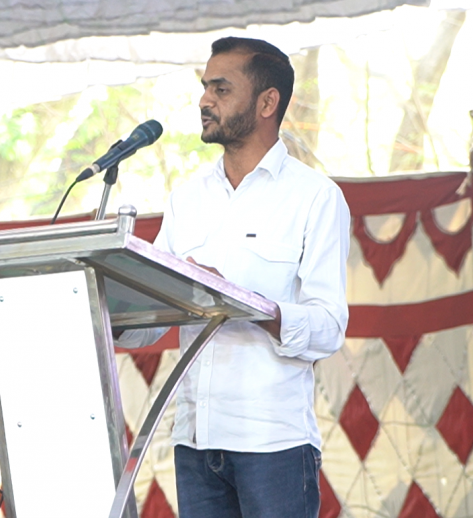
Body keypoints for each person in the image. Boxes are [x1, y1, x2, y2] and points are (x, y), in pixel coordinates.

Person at [114, 37, 350, 518]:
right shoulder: (187, 198)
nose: (204, 100)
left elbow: (329, 327)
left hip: (274, 445)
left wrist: (239, 301)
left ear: (268, 102)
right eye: (205, 88)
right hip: (194, 441)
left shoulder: (315, 197)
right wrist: (106, 301)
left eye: (221, 89)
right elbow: (150, 321)